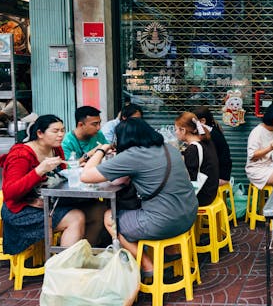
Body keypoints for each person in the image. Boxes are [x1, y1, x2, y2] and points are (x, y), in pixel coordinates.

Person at [80, 118, 198, 276]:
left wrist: (101, 150)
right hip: (188, 215)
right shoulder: (169, 148)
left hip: (164, 222)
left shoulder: (133, 155)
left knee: (110, 217)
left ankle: (148, 266)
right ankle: (171, 251)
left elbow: (86, 176)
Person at [0, 115, 101, 255]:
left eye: (63, 130)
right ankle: (63, 268)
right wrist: (39, 171)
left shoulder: (55, 149)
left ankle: (83, 256)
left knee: (98, 210)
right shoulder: (20, 155)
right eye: (55, 131)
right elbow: (10, 192)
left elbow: (61, 177)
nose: (61, 135)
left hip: (51, 203)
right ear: (40, 133)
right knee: (76, 217)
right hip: (21, 210)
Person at [175, 111, 220, 206]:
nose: (175, 133)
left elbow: (190, 178)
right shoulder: (206, 141)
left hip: (201, 196)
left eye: (176, 130)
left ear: (183, 130)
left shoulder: (192, 149)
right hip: (211, 192)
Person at [245, 103, 273, 189]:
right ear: (271, 117)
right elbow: (252, 156)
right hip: (256, 170)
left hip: (269, 164)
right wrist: (270, 148)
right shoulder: (257, 132)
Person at [192, 105, 232, 185]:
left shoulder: (210, 136)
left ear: (202, 121)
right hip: (220, 173)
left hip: (220, 176)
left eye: (194, 122)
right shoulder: (212, 130)